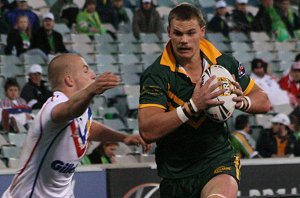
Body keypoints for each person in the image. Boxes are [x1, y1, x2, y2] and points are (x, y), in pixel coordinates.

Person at [138, 3, 270, 198]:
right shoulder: (157, 75)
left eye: (191, 33)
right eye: (178, 33)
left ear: (202, 31)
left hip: (217, 159)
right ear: (168, 32)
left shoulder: (225, 64)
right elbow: (147, 130)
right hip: (176, 172)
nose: (184, 40)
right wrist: (192, 107)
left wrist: (242, 102)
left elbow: (264, 101)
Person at [2, 53, 149, 198]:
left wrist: (124, 137)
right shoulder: (54, 105)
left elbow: (89, 127)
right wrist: (91, 90)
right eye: (86, 70)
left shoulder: (82, 110)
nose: (93, 74)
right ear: (69, 80)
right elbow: (67, 110)